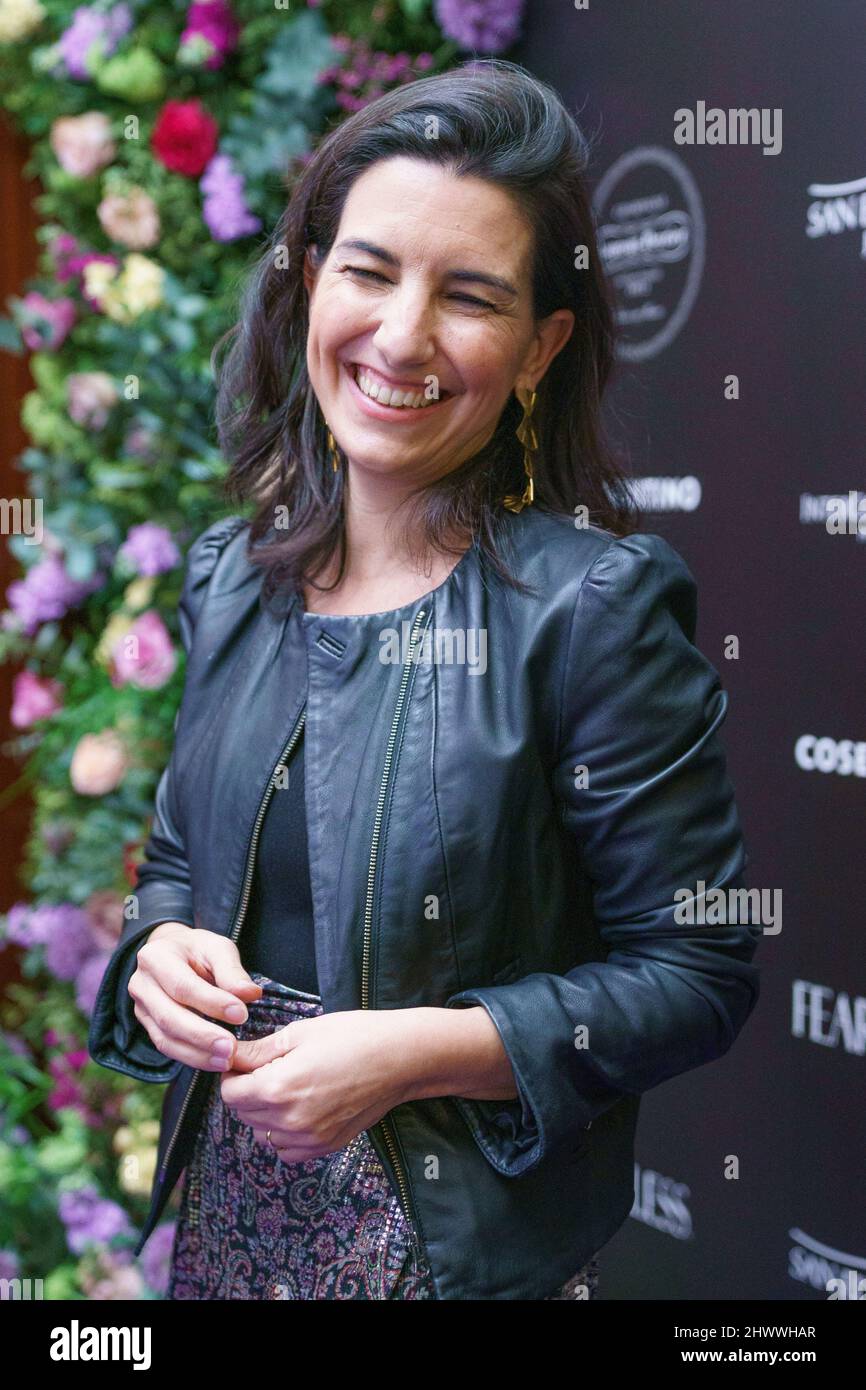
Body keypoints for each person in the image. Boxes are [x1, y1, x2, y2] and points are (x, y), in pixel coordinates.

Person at [88, 58, 761, 1301]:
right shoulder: (235, 575)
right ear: (306, 286)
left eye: (468, 295)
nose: (401, 336)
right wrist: (161, 949)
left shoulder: (589, 608)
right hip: (230, 1229)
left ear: (539, 344)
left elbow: (697, 972)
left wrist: (415, 1053)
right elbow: (181, 864)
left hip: (455, 1258)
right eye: (368, 270)